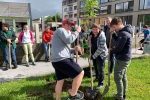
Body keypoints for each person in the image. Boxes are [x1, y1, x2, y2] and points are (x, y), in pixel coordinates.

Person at [51, 19, 84, 100]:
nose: (70, 26)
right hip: (62, 60)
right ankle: (73, 93)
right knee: (80, 73)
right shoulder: (60, 30)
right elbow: (69, 40)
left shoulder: (67, 33)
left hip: (57, 60)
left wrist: (74, 49)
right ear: (64, 24)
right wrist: (77, 31)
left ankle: (58, 98)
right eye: (68, 24)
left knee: (60, 81)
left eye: (71, 25)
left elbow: (66, 48)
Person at [110, 17, 132, 100]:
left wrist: (111, 50)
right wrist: (113, 34)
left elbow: (119, 48)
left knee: (117, 77)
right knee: (123, 76)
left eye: (114, 27)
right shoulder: (123, 32)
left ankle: (120, 97)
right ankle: (123, 93)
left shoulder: (123, 34)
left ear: (118, 24)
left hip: (122, 59)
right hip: (125, 58)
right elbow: (118, 40)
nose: (114, 29)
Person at [90, 23, 108, 88]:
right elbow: (89, 42)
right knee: (95, 67)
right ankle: (97, 77)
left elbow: (101, 48)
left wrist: (94, 56)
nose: (94, 31)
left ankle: (101, 83)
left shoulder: (102, 35)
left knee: (100, 68)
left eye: (96, 29)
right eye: (93, 29)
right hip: (94, 53)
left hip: (101, 54)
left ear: (99, 29)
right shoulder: (91, 34)